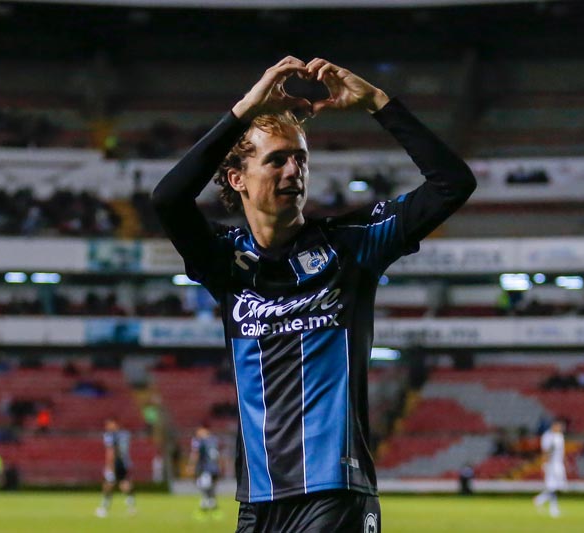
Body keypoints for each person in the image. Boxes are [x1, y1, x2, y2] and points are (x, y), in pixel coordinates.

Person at [151, 56, 476, 533]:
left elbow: (452, 183)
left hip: (336, 494)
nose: (293, 170)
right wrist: (245, 109)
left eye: (301, 158)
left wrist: (377, 103)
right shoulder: (225, 262)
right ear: (237, 178)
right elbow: (167, 199)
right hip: (257, 501)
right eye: (277, 159)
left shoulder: (353, 244)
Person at [95, 417, 136, 517]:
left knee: (108, 485)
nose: (107, 427)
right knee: (124, 483)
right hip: (124, 462)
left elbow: (111, 451)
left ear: (115, 424)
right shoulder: (125, 434)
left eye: (109, 424)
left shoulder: (110, 436)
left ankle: (104, 508)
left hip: (115, 463)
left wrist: (110, 465)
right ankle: (131, 506)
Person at [188, 423, 222, 520]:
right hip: (215, 469)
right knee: (210, 490)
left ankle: (206, 510)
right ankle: (213, 510)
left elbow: (196, 454)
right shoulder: (214, 440)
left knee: (205, 490)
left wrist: (191, 466)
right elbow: (218, 456)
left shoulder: (201, 441)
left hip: (206, 469)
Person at [533, 419, 567, 518]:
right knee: (552, 486)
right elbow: (546, 451)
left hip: (559, 464)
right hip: (551, 464)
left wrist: (565, 462)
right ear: (554, 426)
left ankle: (539, 499)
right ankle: (553, 509)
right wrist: (544, 464)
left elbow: (561, 452)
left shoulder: (559, 436)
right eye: (559, 426)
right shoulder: (547, 437)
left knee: (561, 487)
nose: (560, 428)